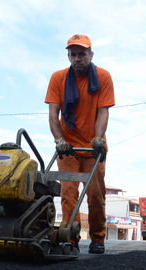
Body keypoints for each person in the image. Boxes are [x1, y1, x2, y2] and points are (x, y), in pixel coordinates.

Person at [45, 34, 115, 254]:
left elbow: (103, 112)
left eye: (82, 54)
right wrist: (59, 141)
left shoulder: (103, 77)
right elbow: (53, 114)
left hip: (93, 148)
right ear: (68, 56)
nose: (77, 58)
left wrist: (98, 138)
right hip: (68, 148)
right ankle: (71, 238)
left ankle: (97, 238)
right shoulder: (58, 78)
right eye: (73, 54)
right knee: (68, 192)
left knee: (95, 194)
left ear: (90, 55)